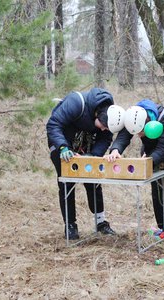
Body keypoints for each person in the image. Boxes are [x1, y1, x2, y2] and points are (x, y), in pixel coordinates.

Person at [46, 88, 122, 240]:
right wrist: (63, 147)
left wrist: (92, 156)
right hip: (62, 144)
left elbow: (105, 139)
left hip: (86, 145)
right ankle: (70, 225)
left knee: (93, 181)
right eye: (103, 125)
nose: (103, 129)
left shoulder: (111, 114)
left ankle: (101, 223)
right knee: (67, 183)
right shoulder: (76, 103)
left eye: (107, 128)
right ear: (97, 115)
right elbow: (53, 124)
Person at [104, 99, 164, 234]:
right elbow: (124, 136)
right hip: (152, 150)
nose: (139, 135)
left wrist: (149, 160)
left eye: (141, 132)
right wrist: (116, 150)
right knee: (157, 189)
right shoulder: (132, 115)